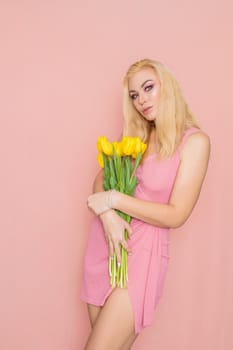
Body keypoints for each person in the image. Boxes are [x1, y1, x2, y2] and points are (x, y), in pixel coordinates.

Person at [80, 58, 210, 350]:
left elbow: (177, 214)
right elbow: (100, 181)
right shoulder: (136, 138)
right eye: (134, 95)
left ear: (168, 86)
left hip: (142, 256)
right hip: (105, 246)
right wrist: (109, 217)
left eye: (148, 88)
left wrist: (114, 200)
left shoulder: (195, 142)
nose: (141, 100)